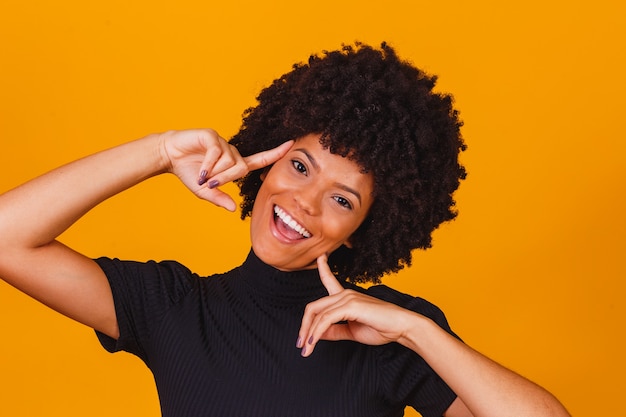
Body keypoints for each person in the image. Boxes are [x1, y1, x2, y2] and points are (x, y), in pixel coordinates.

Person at [0, 43, 569, 417]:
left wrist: (418, 332)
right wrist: (158, 152)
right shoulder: (172, 307)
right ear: (265, 159)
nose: (303, 202)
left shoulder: (387, 336)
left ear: (362, 230)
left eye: (342, 199)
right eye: (300, 165)